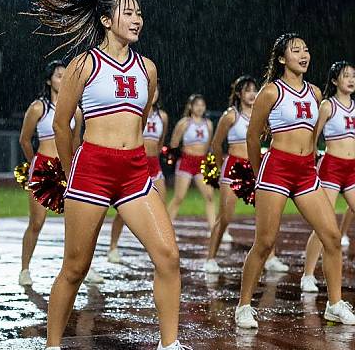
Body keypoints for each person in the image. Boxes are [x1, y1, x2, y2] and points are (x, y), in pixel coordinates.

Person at [25, 0, 201, 350]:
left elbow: (139, 121)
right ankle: (52, 347)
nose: (137, 18)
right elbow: (61, 122)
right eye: (128, 12)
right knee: (75, 266)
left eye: (139, 12)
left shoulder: (147, 68)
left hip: (135, 171)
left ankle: (168, 346)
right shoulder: (84, 63)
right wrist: (72, 169)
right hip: (92, 170)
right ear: (106, 20)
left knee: (169, 257)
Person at [235, 33, 355, 328]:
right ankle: (244, 306)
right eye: (296, 50)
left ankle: (334, 304)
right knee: (264, 242)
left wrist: (312, 162)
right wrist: (256, 171)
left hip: (305, 173)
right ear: (281, 59)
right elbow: (253, 135)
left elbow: (314, 137)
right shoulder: (271, 92)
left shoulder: (315, 93)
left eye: (306, 49)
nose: (304, 54)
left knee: (331, 237)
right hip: (276, 169)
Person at [204, 76, 288, 273]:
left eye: (254, 89)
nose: (252, 94)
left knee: (267, 217)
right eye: (247, 90)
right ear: (239, 94)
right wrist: (219, 166)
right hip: (233, 167)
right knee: (225, 217)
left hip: (255, 166)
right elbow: (216, 144)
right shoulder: (231, 115)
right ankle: (210, 259)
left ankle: (271, 258)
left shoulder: (263, 115)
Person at [18, 60, 85, 286]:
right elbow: (25, 140)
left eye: (66, 75)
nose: (63, 79)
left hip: (66, 169)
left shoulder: (76, 111)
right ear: (49, 80)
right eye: (58, 75)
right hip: (42, 168)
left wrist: (73, 169)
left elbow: (75, 143)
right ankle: (24, 269)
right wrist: (34, 164)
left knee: (77, 222)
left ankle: (82, 268)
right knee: (37, 222)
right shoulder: (39, 107)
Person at [301, 61, 355, 291]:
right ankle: (308, 274)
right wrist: (310, 160)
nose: (351, 80)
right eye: (345, 76)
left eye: (353, 75)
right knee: (323, 222)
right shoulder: (327, 106)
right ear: (335, 81)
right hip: (332, 167)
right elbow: (313, 136)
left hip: (352, 169)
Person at [107, 82, 168, 264]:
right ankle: (113, 247)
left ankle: (156, 249)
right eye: (151, 89)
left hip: (154, 165)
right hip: (136, 164)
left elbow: (160, 142)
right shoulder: (135, 112)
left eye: (157, 89)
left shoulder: (162, 116)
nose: (154, 93)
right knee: (124, 211)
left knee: (161, 209)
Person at [167, 94, 215, 229]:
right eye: (197, 105)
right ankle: (166, 228)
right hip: (186, 161)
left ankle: (213, 229)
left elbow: (209, 144)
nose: (200, 108)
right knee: (179, 197)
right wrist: (177, 158)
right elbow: (174, 143)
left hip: (202, 162)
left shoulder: (209, 124)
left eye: (202, 105)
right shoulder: (184, 123)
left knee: (209, 196)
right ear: (191, 106)